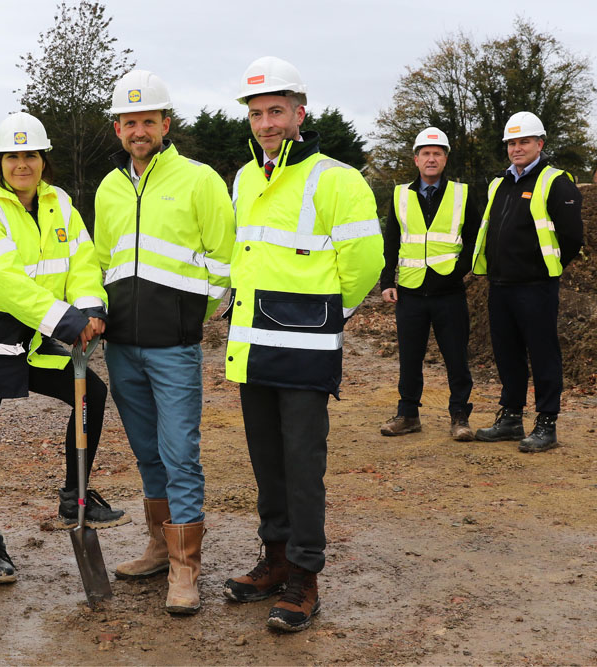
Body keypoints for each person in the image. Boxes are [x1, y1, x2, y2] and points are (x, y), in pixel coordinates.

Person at [221, 57, 383, 632]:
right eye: (257, 112)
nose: (266, 122)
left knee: (302, 466)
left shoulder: (336, 177)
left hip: (304, 350)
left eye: (276, 111)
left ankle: (304, 578)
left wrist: (322, 317)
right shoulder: (245, 177)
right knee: (267, 464)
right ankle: (275, 558)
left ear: (299, 113)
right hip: (251, 347)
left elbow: (366, 262)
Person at [0, 112, 127, 585]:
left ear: (44, 160)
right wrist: (66, 321)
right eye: (13, 156)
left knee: (91, 396)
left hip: (37, 336)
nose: (22, 164)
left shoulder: (60, 203)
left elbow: (82, 261)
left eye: (31, 155)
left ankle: (73, 495)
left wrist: (90, 307)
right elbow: (5, 282)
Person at [93, 69, 235, 614]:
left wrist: (192, 315)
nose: (138, 130)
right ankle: (158, 546)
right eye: (129, 122)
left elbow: (224, 259)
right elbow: (101, 261)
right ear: (117, 128)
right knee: (148, 452)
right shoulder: (108, 187)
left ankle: (185, 568)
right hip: (121, 345)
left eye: (148, 120)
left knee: (180, 454)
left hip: (173, 345)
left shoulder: (200, 180)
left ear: (165, 124)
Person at [471, 111, 583, 452]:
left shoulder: (555, 182)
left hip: (536, 286)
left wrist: (545, 268)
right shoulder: (499, 184)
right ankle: (511, 417)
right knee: (508, 354)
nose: (517, 148)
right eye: (512, 143)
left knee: (543, 352)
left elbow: (572, 237)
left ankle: (546, 422)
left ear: (540, 144)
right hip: (501, 284)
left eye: (524, 142)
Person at [379, 128, 478, 441]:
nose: (431, 158)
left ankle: (460, 416)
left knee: (456, 357)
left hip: (449, 292)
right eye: (425, 153)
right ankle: (408, 415)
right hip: (410, 291)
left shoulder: (462, 194)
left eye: (437, 153)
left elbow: (476, 239)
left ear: (445, 159)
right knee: (409, 357)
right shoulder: (399, 195)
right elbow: (391, 241)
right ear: (416, 159)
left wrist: (459, 271)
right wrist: (386, 281)